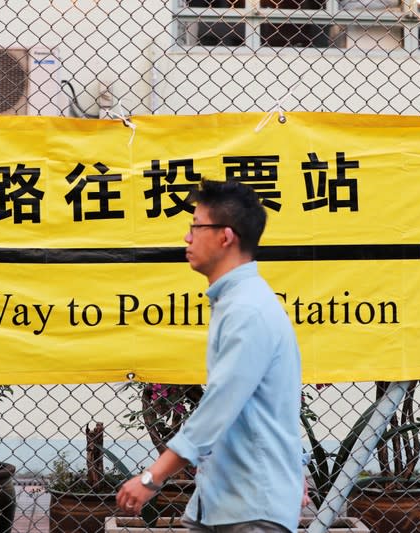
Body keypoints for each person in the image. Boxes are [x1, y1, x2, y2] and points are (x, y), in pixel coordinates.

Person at [116, 179, 304, 533]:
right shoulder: (237, 303)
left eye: (196, 226)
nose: (187, 237)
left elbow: (221, 403)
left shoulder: (248, 310)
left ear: (225, 236)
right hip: (222, 504)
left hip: (250, 510)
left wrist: (153, 476)